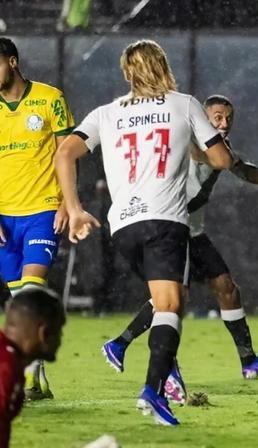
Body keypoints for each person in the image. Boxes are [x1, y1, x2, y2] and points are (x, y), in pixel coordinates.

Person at [54, 39, 233, 426]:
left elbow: (63, 153)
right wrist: (194, 144)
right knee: (170, 306)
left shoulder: (106, 113)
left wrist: (74, 208)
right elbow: (222, 159)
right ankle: (152, 391)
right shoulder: (184, 103)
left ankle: (154, 366)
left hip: (123, 227)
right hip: (165, 220)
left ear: (127, 73)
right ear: (164, 66)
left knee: (164, 299)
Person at [101, 94, 258, 396]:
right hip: (170, 228)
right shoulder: (187, 136)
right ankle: (132, 351)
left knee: (227, 288)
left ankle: (248, 361)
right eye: (216, 117)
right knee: (175, 299)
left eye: (228, 118)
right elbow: (211, 157)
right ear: (203, 117)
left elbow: (243, 168)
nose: (223, 123)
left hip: (194, 231)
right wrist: (218, 148)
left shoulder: (220, 149)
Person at [0, 37, 75, 401]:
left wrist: (66, 204)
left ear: (12, 62)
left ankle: (24, 382)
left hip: (43, 210)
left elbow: (68, 153)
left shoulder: (49, 99)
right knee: (19, 304)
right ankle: (36, 377)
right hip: (3, 217)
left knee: (30, 293)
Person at [0, 288, 66, 447]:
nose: (60, 340)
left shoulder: (10, 360)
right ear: (44, 332)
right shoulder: (6, 368)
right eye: (58, 332)